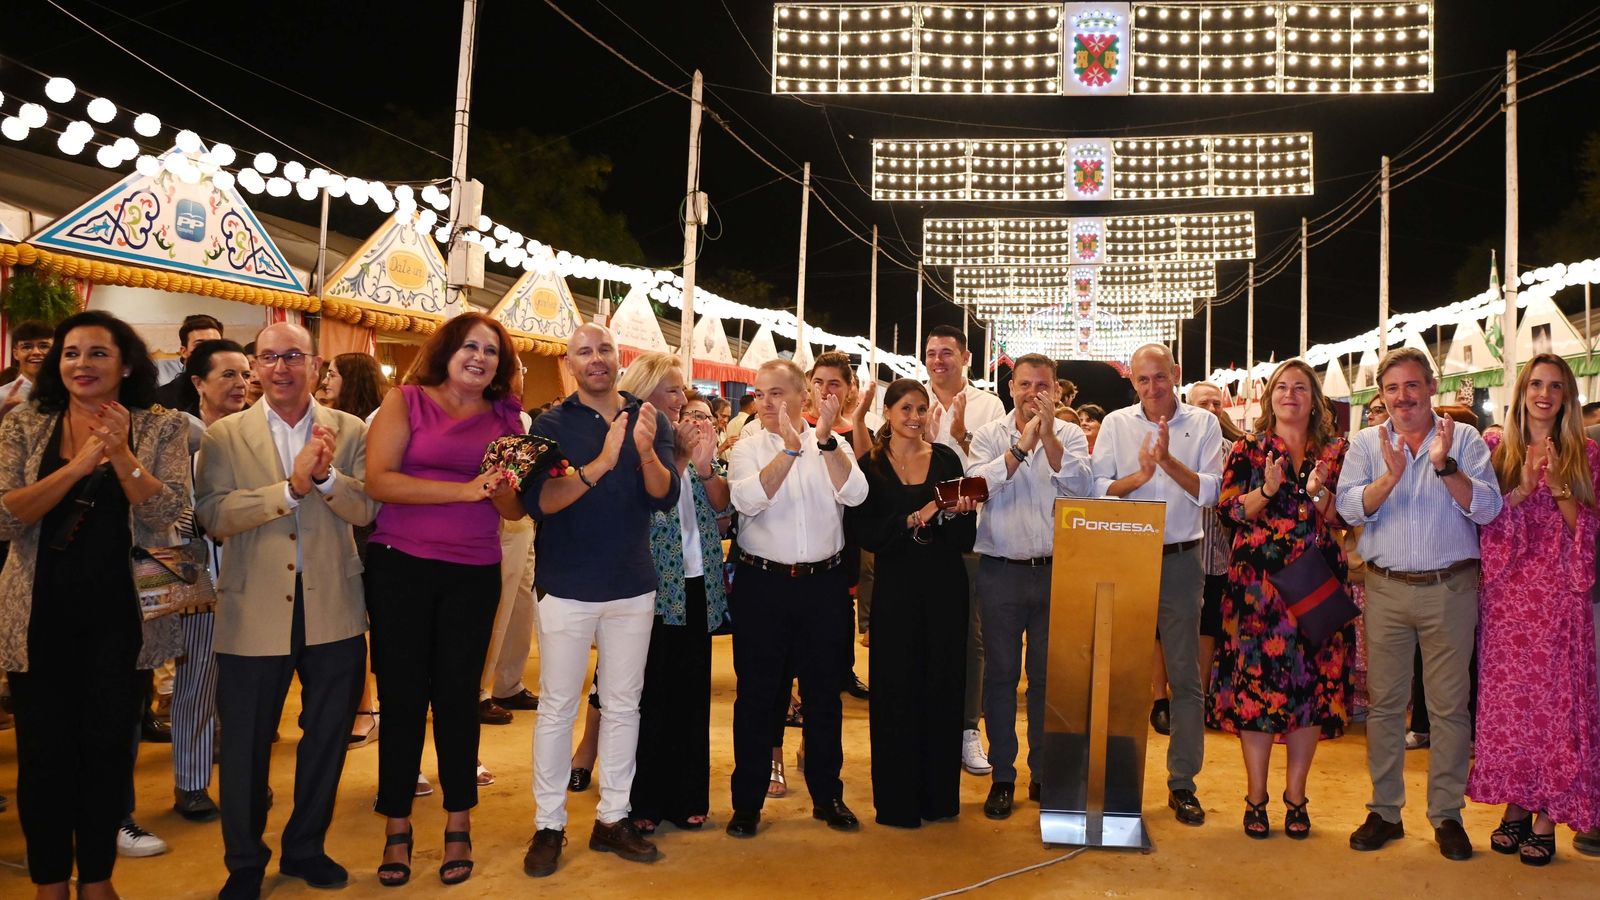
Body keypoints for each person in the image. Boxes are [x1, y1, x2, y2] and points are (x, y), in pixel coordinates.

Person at [0, 311, 188, 900]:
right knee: (43, 754)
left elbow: (169, 517)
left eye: (97, 353)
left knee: (108, 752)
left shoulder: (162, 427)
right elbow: (7, 515)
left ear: (126, 363)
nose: (82, 365)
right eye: (71, 353)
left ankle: (99, 879)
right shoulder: (26, 425)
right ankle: (50, 881)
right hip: (38, 613)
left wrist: (123, 454)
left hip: (125, 616)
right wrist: (82, 465)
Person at [196, 322, 380, 899]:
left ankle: (306, 847)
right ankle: (244, 862)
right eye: (269, 357)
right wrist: (290, 490)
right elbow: (214, 516)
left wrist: (325, 478)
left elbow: (368, 508)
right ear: (255, 367)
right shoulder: (225, 436)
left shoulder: (347, 431)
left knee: (326, 735)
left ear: (316, 366)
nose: (281, 367)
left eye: (294, 356)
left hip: (334, 608)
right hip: (254, 609)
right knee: (247, 742)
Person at [364, 312, 526, 887]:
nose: (480, 357)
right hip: (400, 566)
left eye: (491, 351)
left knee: (458, 699)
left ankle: (459, 820)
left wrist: (505, 491)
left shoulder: (508, 418)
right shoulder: (404, 401)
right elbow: (379, 481)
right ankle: (397, 825)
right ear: (447, 351)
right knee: (405, 699)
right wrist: (462, 489)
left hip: (473, 571)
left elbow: (511, 512)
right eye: (469, 347)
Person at [519, 323, 677, 877]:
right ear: (570, 364)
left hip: (632, 584)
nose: (596, 359)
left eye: (604, 349)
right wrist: (604, 462)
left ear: (617, 357)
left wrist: (644, 454)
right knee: (558, 707)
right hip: (567, 586)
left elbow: (664, 498)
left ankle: (613, 817)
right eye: (584, 351)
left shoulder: (646, 416)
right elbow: (540, 501)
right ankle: (549, 824)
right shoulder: (550, 423)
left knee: (623, 704)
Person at [1335, 347, 1501, 861]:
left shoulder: (1465, 439)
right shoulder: (1367, 442)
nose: (1403, 397)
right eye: (1392, 389)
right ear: (1380, 396)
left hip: (1451, 588)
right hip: (1385, 588)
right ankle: (1386, 811)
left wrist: (1444, 465)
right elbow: (1345, 505)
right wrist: (1390, 476)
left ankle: (1446, 815)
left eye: (1412, 386)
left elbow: (1489, 507)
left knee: (1449, 709)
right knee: (1385, 707)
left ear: (1432, 387)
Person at [725, 359, 868, 838]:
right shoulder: (746, 447)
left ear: (802, 397)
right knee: (758, 698)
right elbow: (747, 499)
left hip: (823, 588)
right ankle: (746, 803)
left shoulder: (831, 443)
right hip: (762, 586)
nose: (766, 403)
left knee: (825, 697)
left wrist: (822, 441)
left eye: (777, 393)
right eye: (760, 394)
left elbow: (856, 493)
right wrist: (788, 450)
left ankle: (828, 797)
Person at [1212, 360, 1353, 839]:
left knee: (1310, 689)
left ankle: (1297, 797)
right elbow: (1230, 509)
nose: (1290, 394)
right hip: (1258, 592)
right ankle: (1256, 798)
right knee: (1256, 691)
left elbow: (1344, 518)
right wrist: (1267, 490)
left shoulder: (1336, 452)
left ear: (1315, 398)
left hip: (1316, 587)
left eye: (1300, 388)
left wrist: (1316, 496)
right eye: (1281, 387)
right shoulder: (1248, 448)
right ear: (1270, 397)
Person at [1468, 353, 1600, 865]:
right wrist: (1521, 488)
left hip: (1560, 597)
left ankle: (1547, 813)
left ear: (1567, 396)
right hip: (1507, 597)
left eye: (1556, 386)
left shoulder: (1585, 452)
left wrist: (1562, 487)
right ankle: (1518, 805)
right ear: (1522, 392)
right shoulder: (1495, 448)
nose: (1545, 394)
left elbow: (1587, 532)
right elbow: (1485, 525)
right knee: (1511, 709)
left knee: (1556, 708)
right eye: (1536, 385)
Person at [1091, 344, 1224, 826]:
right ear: (1133, 382)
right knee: (1123, 678)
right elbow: (1099, 488)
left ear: (1176, 375)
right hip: (1127, 555)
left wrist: (1167, 464)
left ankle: (1182, 783)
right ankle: (1118, 785)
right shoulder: (1116, 424)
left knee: (1186, 678)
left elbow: (1212, 491)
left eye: (1159, 378)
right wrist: (1141, 475)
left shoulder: (1205, 424)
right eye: (1142, 380)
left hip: (1182, 560)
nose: (1152, 388)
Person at [847, 379, 978, 826]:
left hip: (945, 585)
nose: (915, 417)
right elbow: (864, 532)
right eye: (905, 408)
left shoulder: (946, 459)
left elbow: (966, 536)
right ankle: (899, 802)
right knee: (895, 690)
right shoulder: (870, 466)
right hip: (896, 590)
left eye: (921, 409)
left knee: (943, 684)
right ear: (886, 413)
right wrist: (914, 517)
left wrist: (959, 513)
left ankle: (939, 799)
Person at [967, 353, 1092, 819]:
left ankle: (1042, 772)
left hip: (1056, 568)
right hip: (999, 569)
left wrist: (1050, 437)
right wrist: (1021, 447)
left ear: (1056, 391)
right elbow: (978, 487)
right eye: (1024, 384)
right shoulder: (988, 436)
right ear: (1010, 387)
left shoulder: (1073, 435)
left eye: (1043, 385)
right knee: (1000, 677)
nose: (1032, 393)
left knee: (1045, 679)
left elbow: (1081, 488)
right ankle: (1003, 774)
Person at [617, 355, 730, 833]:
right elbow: (647, 505)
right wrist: (681, 460)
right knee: (650, 694)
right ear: (644, 394)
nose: (683, 401)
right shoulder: (628, 446)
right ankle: (643, 800)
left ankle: (687, 795)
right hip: (650, 586)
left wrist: (703, 467)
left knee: (690, 691)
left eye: (683, 392)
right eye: (673, 391)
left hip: (697, 581)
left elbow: (722, 508)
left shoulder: (690, 441)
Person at [918, 323, 1006, 778]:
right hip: (921, 535)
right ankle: (926, 727)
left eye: (947, 352)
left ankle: (968, 729)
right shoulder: (913, 400)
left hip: (970, 534)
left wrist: (959, 435)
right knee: (922, 633)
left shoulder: (988, 404)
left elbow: (990, 474)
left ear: (966, 358)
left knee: (972, 637)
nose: (938, 360)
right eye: (932, 352)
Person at [169, 339, 251, 824]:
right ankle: (191, 782)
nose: (240, 384)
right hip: (200, 575)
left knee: (248, 688)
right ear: (197, 382)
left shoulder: (258, 431)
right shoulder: (180, 433)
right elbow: (172, 512)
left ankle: (244, 779)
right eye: (227, 375)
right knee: (197, 682)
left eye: (245, 374)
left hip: (254, 574)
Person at [1188, 381, 1246, 699]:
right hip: (1174, 553)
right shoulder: (1172, 446)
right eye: (1203, 404)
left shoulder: (1234, 450)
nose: (1211, 410)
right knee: (1163, 628)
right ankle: (1161, 697)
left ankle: (1201, 694)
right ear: (1188, 405)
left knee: (1208, 626)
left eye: (1216, 404)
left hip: (1216, 555)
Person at [153, 314, 223, 410]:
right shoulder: (162, 398)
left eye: (215, 344)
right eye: (199, 344)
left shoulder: (233, 390)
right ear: (184, 352)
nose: (208, 350)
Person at [0, 320, 53, 422]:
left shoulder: (68, 394)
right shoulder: (2, 396)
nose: (36, 352)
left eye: (44, 346)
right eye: (27, 347)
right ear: (16, 354)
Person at [326, 352, 387, 422]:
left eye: (332, 375)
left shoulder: (374, 421)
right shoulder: (335, 416)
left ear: (350, 379)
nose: (324, 382)